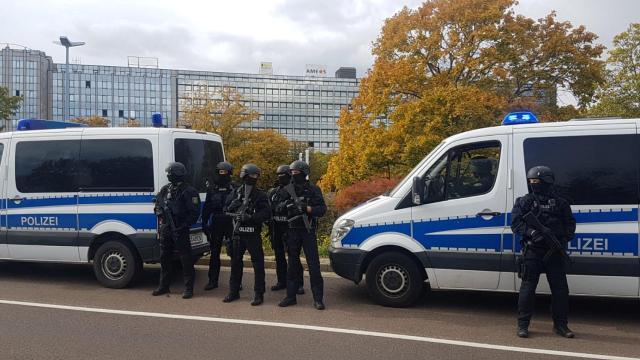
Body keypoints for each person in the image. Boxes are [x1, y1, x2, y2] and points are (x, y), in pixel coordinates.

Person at [511, 166, 576, 338]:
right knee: (528, 288)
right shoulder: (524, 202)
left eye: (537, 182)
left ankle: (561, 326)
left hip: (554, 252)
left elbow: (570, 224)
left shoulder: (561, 203)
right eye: (531, 181)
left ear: (547, 182)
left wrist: (562, 240)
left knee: (560, 290)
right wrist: (532, 233)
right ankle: (522, 325)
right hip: (533, 251)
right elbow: (516, 224)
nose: (534, 184)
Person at [278, 160, 327, 310]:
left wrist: (307, 208)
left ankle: (318, 299)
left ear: (304, 173)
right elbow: (278, 208)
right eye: (292, 172)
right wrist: (288, 205)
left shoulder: (313, 189)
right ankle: (290, 296)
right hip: (292, 230)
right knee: (292, 265)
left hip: (308, 230)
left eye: (296, 172)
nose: (294, 175)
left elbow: (322, 209)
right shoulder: (287, 189)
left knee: (313, 265)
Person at [223, 164, 270, 306]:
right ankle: (233, 291)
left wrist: (250, 217)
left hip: (252, 233)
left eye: (256, 176)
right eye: (251, 175)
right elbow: (225, 209)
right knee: (235, 263)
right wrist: (232, 207)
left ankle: (259, 294)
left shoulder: (260, 194)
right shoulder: (236, 192)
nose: (254, 178)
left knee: (258, 264)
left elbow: (267, 213)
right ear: (244, 176)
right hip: (237, 233)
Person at [152, 162, 201, 299]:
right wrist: (159, 211)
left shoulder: (189, 191)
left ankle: (188, 288)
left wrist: (184, 226)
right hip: (166, 228)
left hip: (180, 228)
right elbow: (157, 205)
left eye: (170, 174)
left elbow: (194, 212)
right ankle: (163, 286)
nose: (168, 176)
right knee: (164, 258)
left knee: (185, 259)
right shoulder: (165, 189)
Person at [267, 165, 305, 294]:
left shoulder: (294, 190)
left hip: (290, 227)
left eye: (283, 175)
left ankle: (299, 283)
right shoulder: (273, 191)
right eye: (278, 175)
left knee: (293, 257)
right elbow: (269, 209)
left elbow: (299, 207)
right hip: (276, 227)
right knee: (279, 256)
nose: (280, 177)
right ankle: (281, 280)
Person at [202, 161, 235, 291]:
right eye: (220, 172)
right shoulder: (212, 189)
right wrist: (204, 223)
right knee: (214, 253)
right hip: (216, 222)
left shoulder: (235, 188)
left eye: (225, 172)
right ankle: (212, 281)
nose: (222, 175)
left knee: (234, 253)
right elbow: (207, 208)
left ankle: (236, 281)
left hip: (230, 222)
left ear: (230, 173)